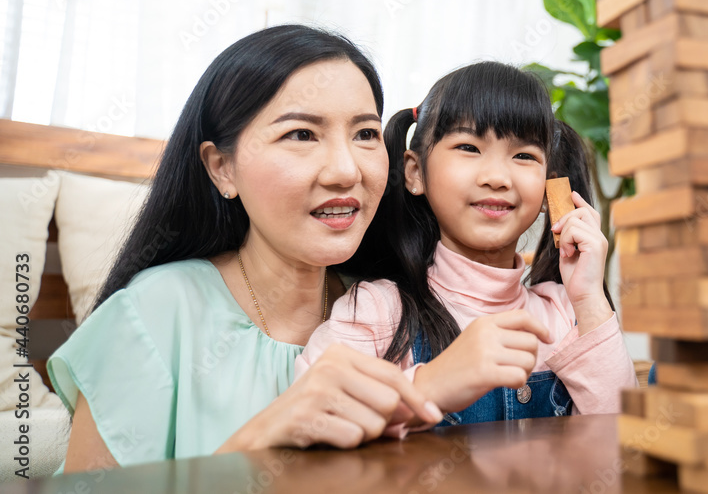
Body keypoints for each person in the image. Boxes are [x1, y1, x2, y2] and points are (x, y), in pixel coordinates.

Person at [48, 25, 443, 472]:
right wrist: (261, 437)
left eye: (365, 134)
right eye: (301, 135)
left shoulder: (389, 307)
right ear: (222, 168)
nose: (345, 169)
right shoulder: (155, 312)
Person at [296, 62, 637, 429]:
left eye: (523, 156)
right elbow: (311, 426)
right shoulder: (377, 312)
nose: (496, 178)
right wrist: (432, 384)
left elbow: (623, 445)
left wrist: (589, 300)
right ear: (414, 172)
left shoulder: (568, 313)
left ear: (547, 189)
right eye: (468, 147)